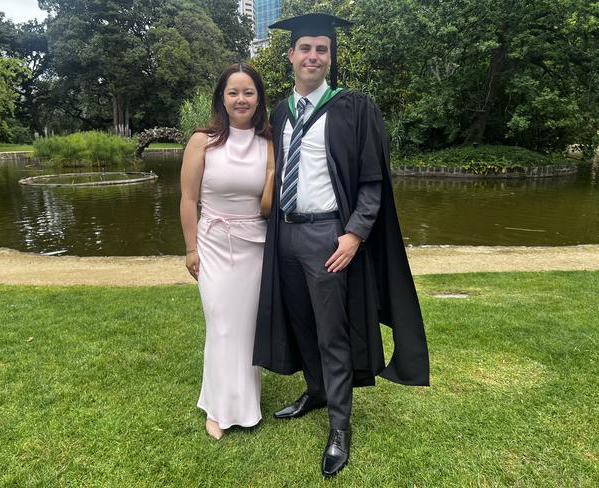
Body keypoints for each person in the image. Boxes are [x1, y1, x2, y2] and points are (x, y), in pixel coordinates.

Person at [253, 13, 430, 476]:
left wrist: (353, 234)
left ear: (330, 56)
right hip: (285, 233)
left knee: (333, 331)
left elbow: (373, 183)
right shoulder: (279, 111)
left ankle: (339, 426)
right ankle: (316, 391)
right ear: (290, 55)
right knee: (301, 322)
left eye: (322, 49)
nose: (313, 56)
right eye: (305, 48)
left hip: (327, 235)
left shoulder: (354, 108)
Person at [180, 63, 271, 440]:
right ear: (222, 98)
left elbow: (268, 206)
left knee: (245, 327)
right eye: (233, 92)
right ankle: (217, 409)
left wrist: (271, 178)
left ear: (258, 98)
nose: (241, 99)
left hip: (254, 247)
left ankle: (247, 404)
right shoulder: (202, 140)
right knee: (220, 324)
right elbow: (187, 198)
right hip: (212, 245)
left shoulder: (269, 144)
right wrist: (190, 248)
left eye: (248, 92)